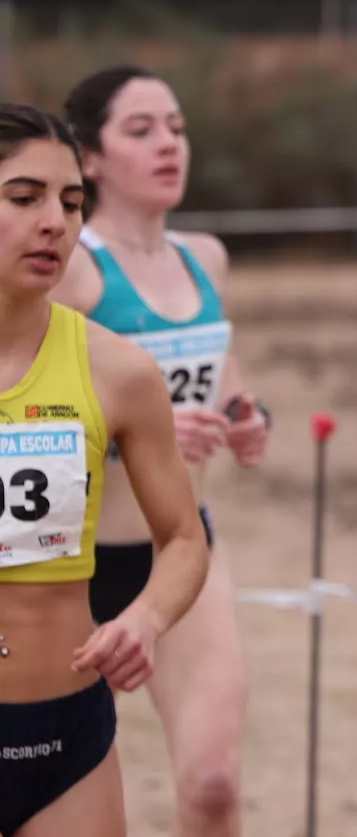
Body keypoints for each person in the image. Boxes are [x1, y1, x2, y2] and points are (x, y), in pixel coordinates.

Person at [50, 65, 271, 837]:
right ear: (90, 157)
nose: (168, 144)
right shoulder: (71, 267)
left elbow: (219, 373)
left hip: (181, 553)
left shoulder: (204, 257)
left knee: (213, 784)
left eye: (175, 127)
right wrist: (137, 435)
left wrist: (246, 415)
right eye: (140, 130)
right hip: (66, 569)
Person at [0, 102, 209, 837]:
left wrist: (147, 618)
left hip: (67, 735)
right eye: (24, 197)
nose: (54, 223)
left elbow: (184, 537)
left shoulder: (118, 371)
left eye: (70, 202)